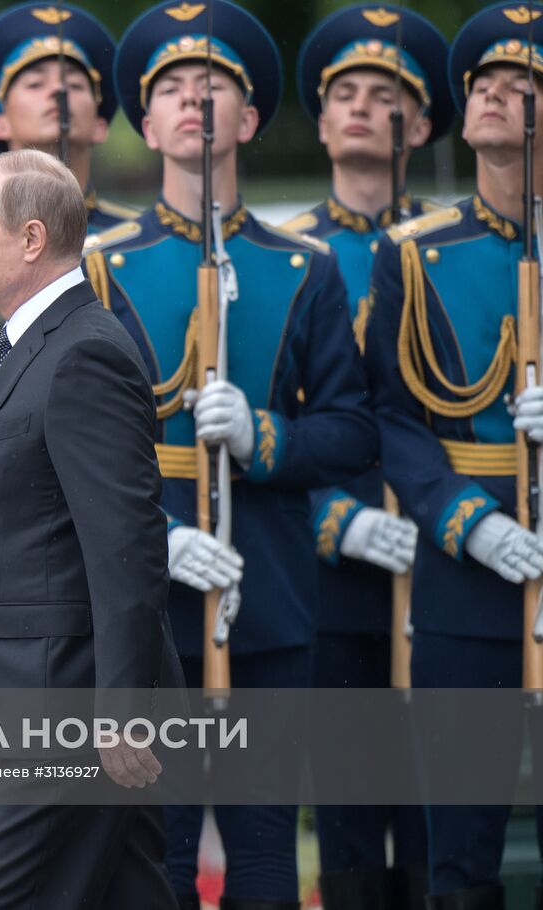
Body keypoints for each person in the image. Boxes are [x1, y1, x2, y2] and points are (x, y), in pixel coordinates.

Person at [85, 2, 377, 906]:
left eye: (211, 86)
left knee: (262, 859)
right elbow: (78, 445)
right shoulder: (101, 267)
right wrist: (163, 533)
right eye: (171, 88)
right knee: (157, 855)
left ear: (247, 120)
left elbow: (352, 430)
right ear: (146, 122)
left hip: (272, 589)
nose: (192, 101)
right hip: (150, 592)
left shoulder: (304, 267)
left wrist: (264, 436)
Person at [0, 148, 180, 909]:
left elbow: (126, 548)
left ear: (33, 239)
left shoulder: (82, 354)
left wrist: (122, 714)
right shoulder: (25, 342)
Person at [365, 6, 543, 906]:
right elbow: (394, 417)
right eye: (482, 86)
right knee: (461, 859)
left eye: (520, 89)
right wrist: (466, 523)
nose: (494, 98)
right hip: (464, 573)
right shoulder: (414, 253)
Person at [283, 7, 451, 906]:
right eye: (342, 94)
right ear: (318, 120)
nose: (359, 108)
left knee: (445, 815)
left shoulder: (448, 248)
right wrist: (335, 520)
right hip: (334, 568)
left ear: (420, 128)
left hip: (449, 560)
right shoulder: (289, 257)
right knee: (348, 817)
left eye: (384, 97)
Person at [0, 2, 137, 233]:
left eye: (74, 85)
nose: (59, 89)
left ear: (100, 126)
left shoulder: (137, 240)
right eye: (35, 84)